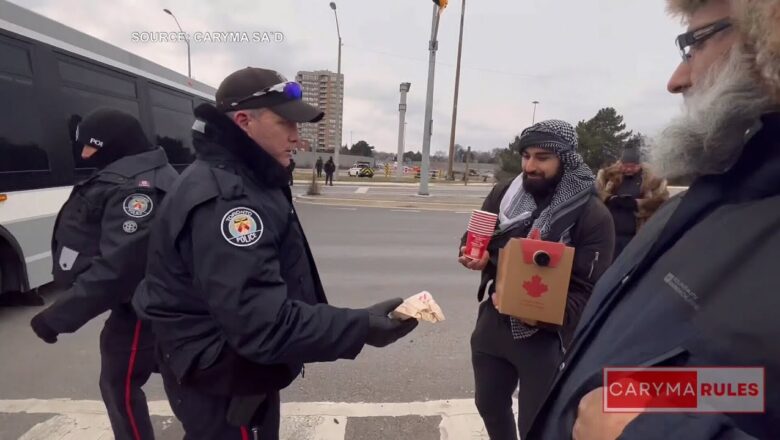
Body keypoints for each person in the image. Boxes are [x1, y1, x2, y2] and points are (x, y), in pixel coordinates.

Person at [526, 1, 780, 438]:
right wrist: (628, 401)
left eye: (694, 44)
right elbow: (742, 386)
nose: (676, 80)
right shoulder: (725, 192)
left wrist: (650, 432)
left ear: (768, 37)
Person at [132, 67, 418, 439]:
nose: (297, 138)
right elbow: (260, 324)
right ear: (243, 122)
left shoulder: (246, 176)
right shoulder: (227, 200)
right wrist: (360, 326)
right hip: (223, 380)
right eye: (286, 123)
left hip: (234, 368)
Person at [457, 119, 615, 439]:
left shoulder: (591, 214)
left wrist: (539, 315)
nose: (530, 166)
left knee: (536, 425)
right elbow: (477, 236)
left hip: (547, 339)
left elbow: (590, 292)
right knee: (488, 404)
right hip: (495, 322)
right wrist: (479, 257)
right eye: (526, 156)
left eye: (542, 158)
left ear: (565, 159)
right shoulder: (505, 195)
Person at [29, 108, 178, 440]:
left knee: (119, 382)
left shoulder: (137, 190)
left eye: (91, 148)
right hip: (152, 300)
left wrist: (58, 316)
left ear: (116, 144)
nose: (83, 156)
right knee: (177, 381)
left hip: (144, 306)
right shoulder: (144, 176)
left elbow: (120, 267)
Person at [596, 145, 669, 257]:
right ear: (620, 163)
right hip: (610, 234)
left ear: (640, 164)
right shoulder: (608, 176)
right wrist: (609, 199)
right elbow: (597, 193)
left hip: (636, 236)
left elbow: (662, 201)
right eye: (626, 166)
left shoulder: (653, 180)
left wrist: (638, 204)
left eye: (633, 166)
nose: (629, 169)